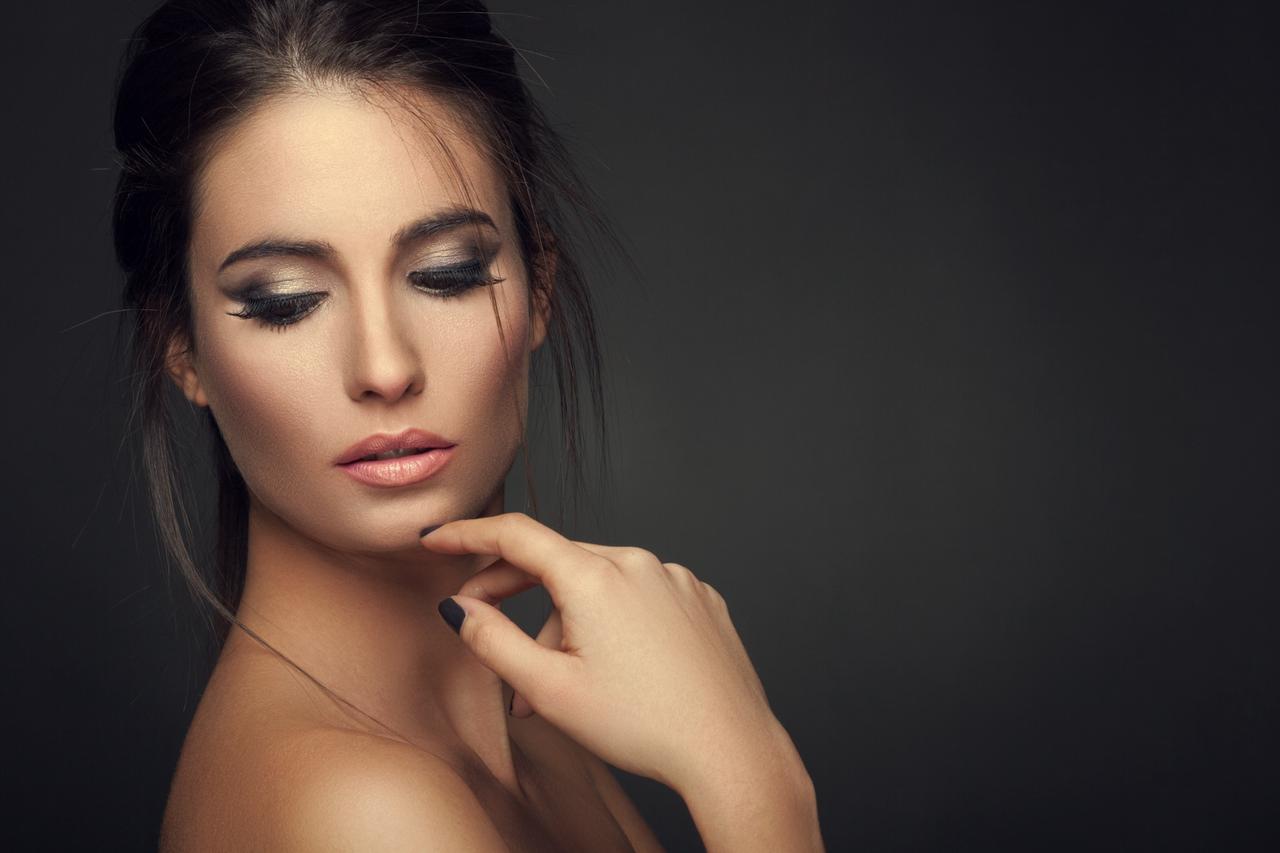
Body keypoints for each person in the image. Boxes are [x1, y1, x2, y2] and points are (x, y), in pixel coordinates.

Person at [111, 1, 823, 849]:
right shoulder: (358, 811)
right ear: (183, 348)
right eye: (285, 302)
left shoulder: (534, 725)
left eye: (446, 275)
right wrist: (751, 775)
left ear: (539, 288)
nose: (384, 366)